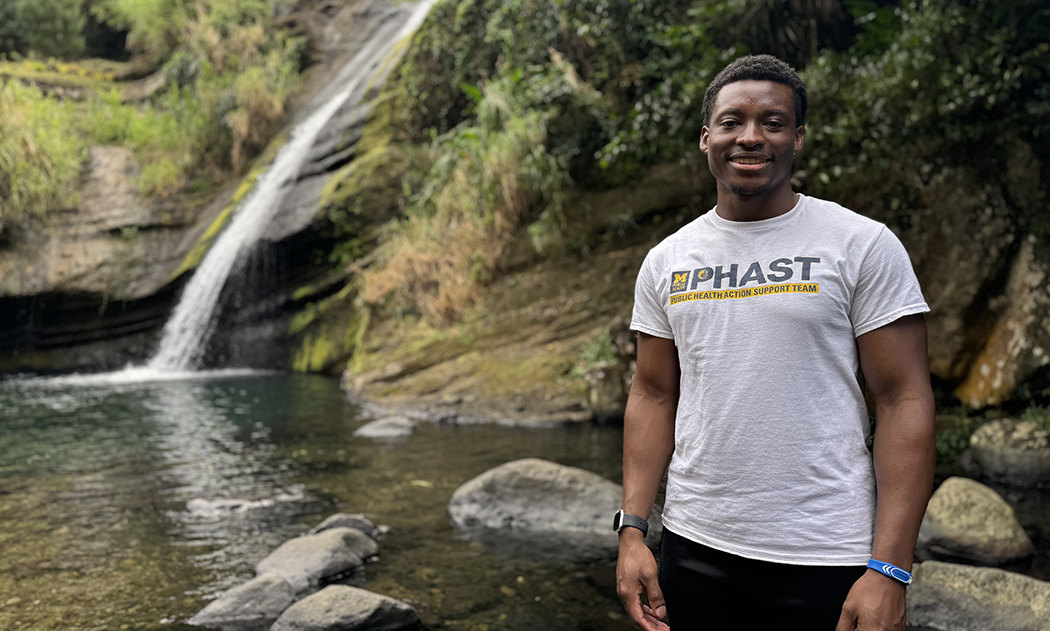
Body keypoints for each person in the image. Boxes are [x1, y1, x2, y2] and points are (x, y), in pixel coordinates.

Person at [614, 54, 935, 631]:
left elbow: (903, 401)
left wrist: (890, 570)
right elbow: (654, 394)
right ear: (707, 136)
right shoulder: (667, 260)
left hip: (826, 552)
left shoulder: (861, 244)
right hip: (694, 546)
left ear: (798, 138)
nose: (752, 137)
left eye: (773, 122)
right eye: (733, 121)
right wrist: (633, 530)